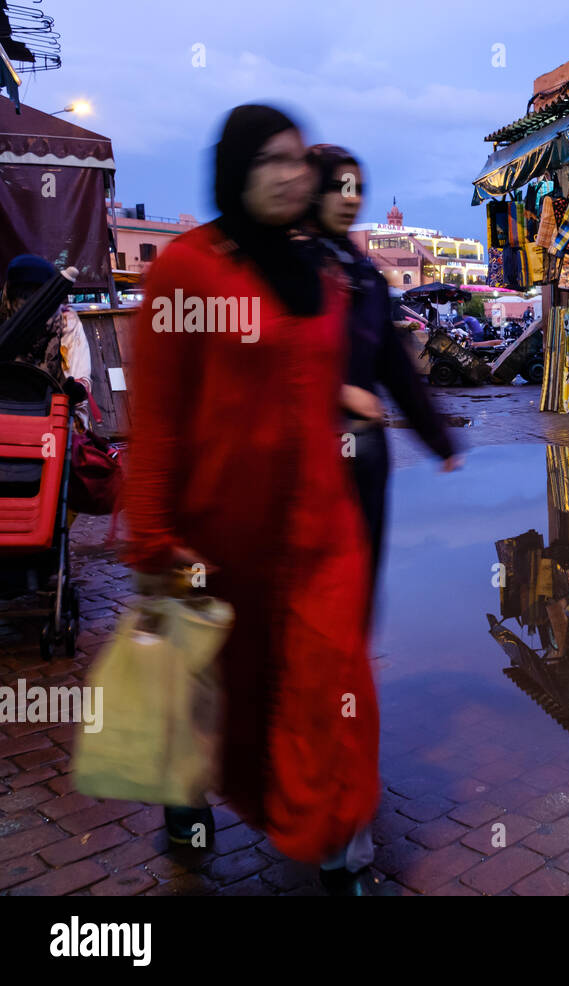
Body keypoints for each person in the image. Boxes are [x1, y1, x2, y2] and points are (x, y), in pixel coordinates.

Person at [123, 104, 379, 894]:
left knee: (330, 676)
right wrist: (154, 537)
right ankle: (186, 796)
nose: (289, 174)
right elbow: (158, 420)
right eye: (269, 159)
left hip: (319, 529)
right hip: (218, 534)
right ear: (235, 169)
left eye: (297, 159)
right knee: (212, 690)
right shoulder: (187, 270)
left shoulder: (323, 272)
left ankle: (336, 834)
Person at [305, 143, 462, 612]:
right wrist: (336, 390)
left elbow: (396, 368)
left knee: (359, 591)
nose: (351, 197)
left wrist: (439, 440)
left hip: (365, 459)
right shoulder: (288, 270)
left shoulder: (366, 277)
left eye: (358, 188)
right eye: (339, 186)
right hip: (307, 459)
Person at [0, 255, 94, 428]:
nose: (28, 301)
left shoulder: (66, 322)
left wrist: (75, 388)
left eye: (36, 293)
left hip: (52, 414)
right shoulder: (3, 321)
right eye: (22, 293)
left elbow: (78, 369)